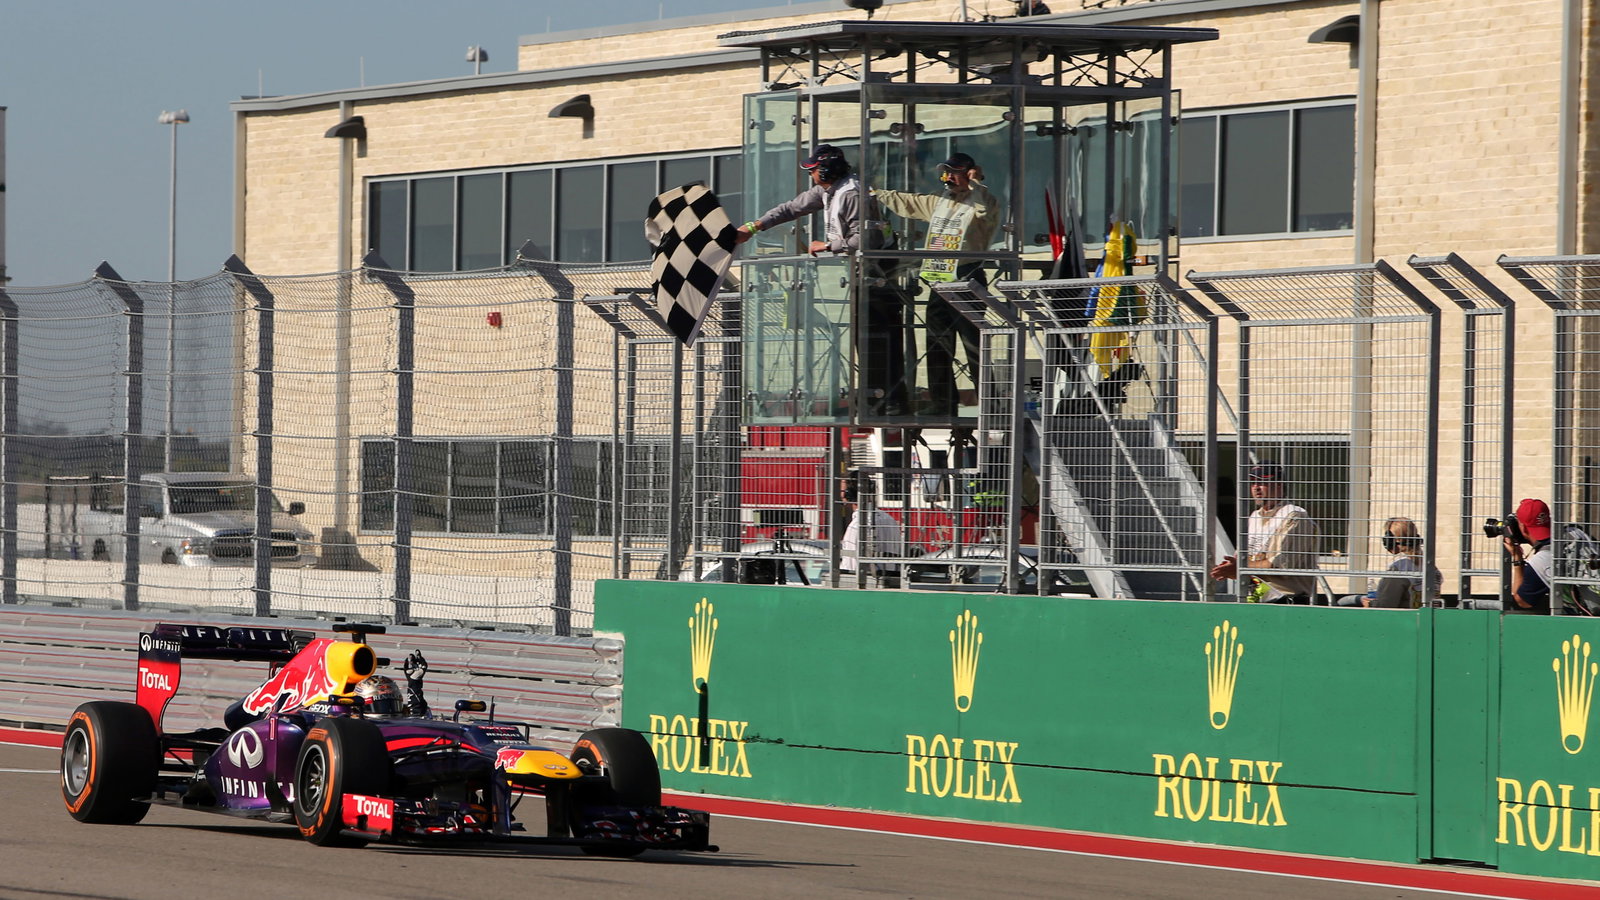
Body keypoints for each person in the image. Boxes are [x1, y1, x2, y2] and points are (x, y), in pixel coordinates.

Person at [736, 145, 904, 415]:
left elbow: (867, 239)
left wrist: (826, 246)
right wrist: (754, 227)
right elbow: (791, 208)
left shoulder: (852, 193)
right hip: (864, 270)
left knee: (875, 338)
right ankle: (877, 400)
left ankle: (886, 401)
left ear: (826, 170)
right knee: (867, 338)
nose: (811, 175)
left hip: (880, 272)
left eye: (813, 170)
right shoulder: (827, 191)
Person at [872, 152, 1001, 417]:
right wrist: (875, 194)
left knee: (973, 342)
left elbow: (985, 208)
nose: (948, 177)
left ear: (971, 172)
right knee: (937, 342)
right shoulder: (940, 201)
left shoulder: (983, 199)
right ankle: (942, 402)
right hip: (940, 279)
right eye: (946, 172)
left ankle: (990, 404)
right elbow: (909, 202)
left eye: (955, 172)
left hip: (968, 277)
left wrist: (976, 183)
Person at [1208, 462, 1321, 603]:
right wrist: (1230, 569)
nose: (1256, 488)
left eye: (1263, 482)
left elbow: (1280, 565)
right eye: (1253, 482)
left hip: (1289, 600)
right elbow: (1241, 558)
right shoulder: (1254, 516)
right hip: (1255, 596)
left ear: (1279, 484)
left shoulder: (1294, 515)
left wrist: (1241, 567)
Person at [1341, 516, 1443, 608]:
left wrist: (1369, 604)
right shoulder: (1431, 568)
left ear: (1390, 539)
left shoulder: (1398, 569)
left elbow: (1384, 606)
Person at [840, 473, 904, 583]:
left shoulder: (856, 526)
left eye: (843, 492)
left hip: (868, 584)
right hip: (893, 582)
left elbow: (850, 566)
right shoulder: (890, 520)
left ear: (848, 495)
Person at [1504, 498, 1554, 614]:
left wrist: (1517, 556)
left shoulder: (1540, 562)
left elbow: (1522, 601)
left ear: (1523, 528)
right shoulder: (1576, 533)